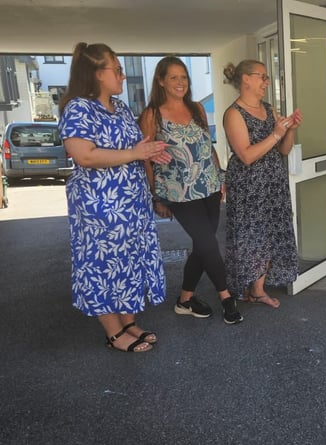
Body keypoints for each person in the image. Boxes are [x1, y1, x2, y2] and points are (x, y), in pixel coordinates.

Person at [58, 42, 170, 352]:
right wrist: (135, 152)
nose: (122, 76)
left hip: (130, 204)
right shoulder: (78, 107)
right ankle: (113, 332)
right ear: (96, 74)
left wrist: (149, 152)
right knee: (101, 265)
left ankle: (128, 322)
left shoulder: (119, 107)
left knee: (128, 263)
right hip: (99, 206)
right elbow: (85, 156)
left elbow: (130, 149)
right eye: (117, 70)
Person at [138, 56, 243, 325]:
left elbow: (208, 147)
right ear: (160, 81)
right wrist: (155, 196)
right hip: (178, 193)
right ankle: (226, 297)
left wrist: (221, 179)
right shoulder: (152, 114)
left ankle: (185, 300)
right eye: (173, 77)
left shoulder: (196, 108)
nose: (180, 82)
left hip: (208, 186)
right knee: (209, 243)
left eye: (183, 77)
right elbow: (146, 160)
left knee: (202, 244)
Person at [222, 60, 302, 307]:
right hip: (248, 186)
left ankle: (258, 289)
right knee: (251, 237)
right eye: (263, 77)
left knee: (270, 234)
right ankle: (248, 287)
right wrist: (276, 133)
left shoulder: (269, 108)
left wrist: (289, 130)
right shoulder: (233, 113)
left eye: (267, 78)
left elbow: (284, 150)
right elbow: (246, 156)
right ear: (246, 79)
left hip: (273, 183)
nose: (267, 82)